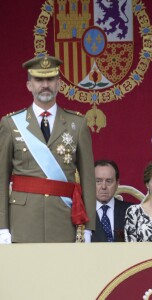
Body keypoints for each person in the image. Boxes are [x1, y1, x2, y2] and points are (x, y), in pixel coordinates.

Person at [0, 55, 96, 243]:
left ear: (59, 84)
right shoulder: (11, 124)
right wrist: (2, 227)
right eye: (39, 79)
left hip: (63, 220)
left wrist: (88, 228)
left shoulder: (78, 123)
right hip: (23, 221)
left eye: (50, 79)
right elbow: (2, 178)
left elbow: (88, 179)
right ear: (29, 85)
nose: (45, 84)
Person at [91, 160, 132, 242]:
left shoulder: (131, 211)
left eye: (109, 181)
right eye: (98, 181)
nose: (103, 186)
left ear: (117, 183)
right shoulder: (81, 212)